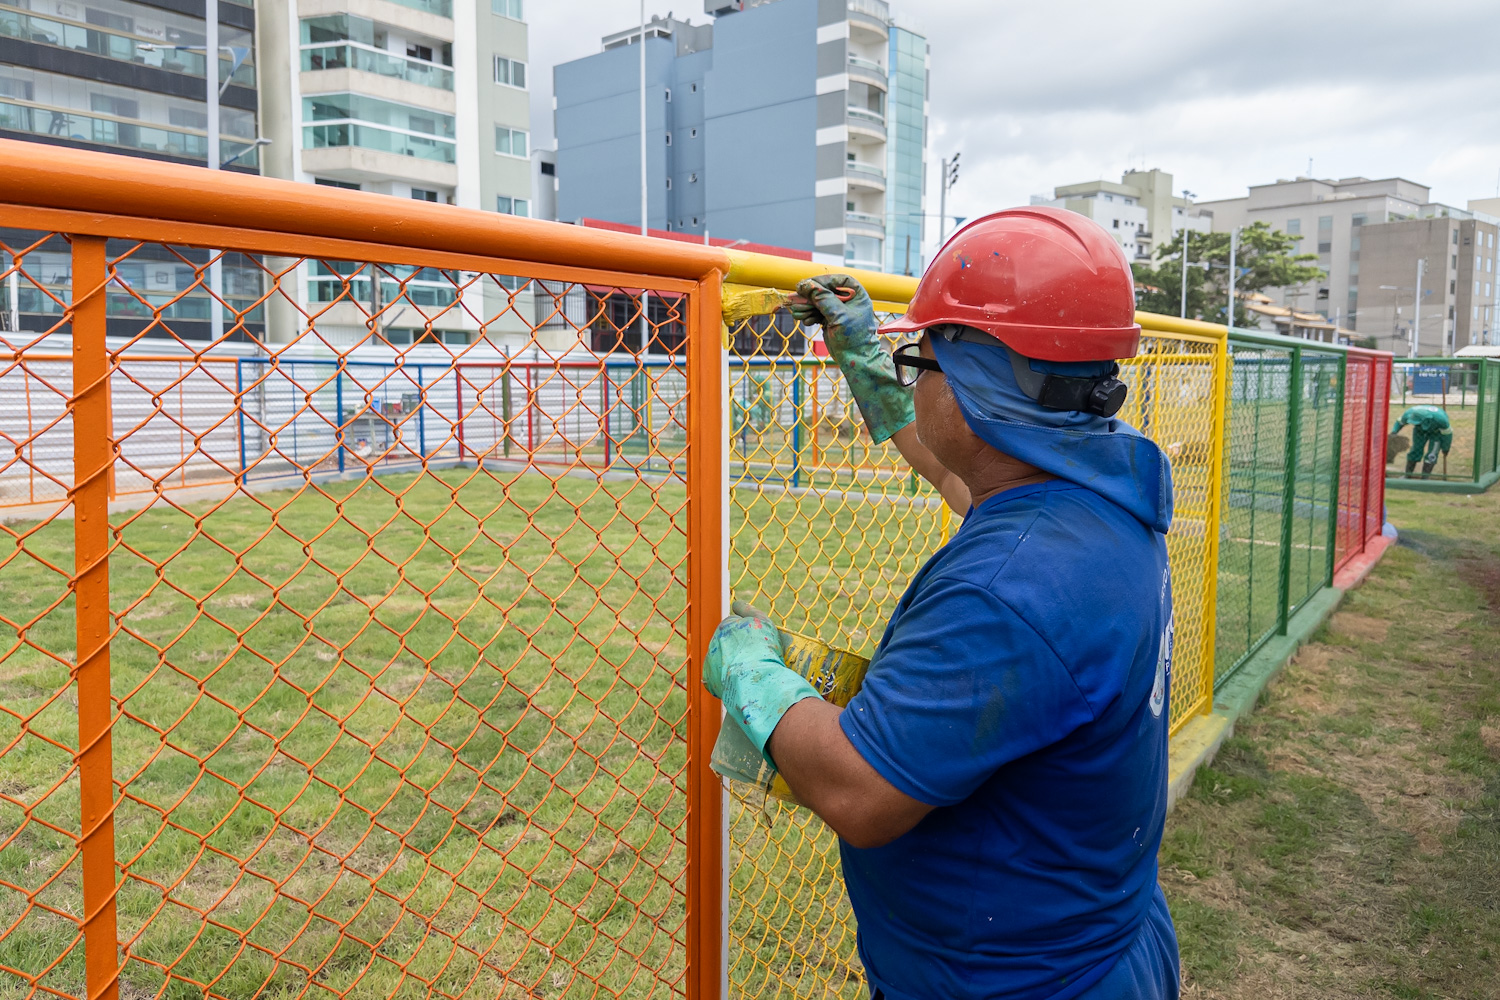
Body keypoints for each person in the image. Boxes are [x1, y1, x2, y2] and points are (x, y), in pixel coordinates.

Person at [703, 207, 1180, 1000]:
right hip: (1096, 944)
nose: (909, 377)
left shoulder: (1011, 590)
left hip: (1014, 984)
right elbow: (969, 481)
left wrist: (756, 673)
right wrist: (864, 362)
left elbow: (860, 791)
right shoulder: (1096, 503)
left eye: (917, 363)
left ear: (975, 392)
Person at [1391, 404, 1452, 478]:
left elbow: (1447, 435)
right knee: (1415, 450)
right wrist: (1394, 432)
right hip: (1419, 432)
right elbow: (1400, 422)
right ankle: (1407, 475)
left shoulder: (1441, 420)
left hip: (1436, 432)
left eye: (1418, 423)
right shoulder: (1409, 413)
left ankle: (1425, 478)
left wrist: (1445, 448)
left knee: (1432, 454)